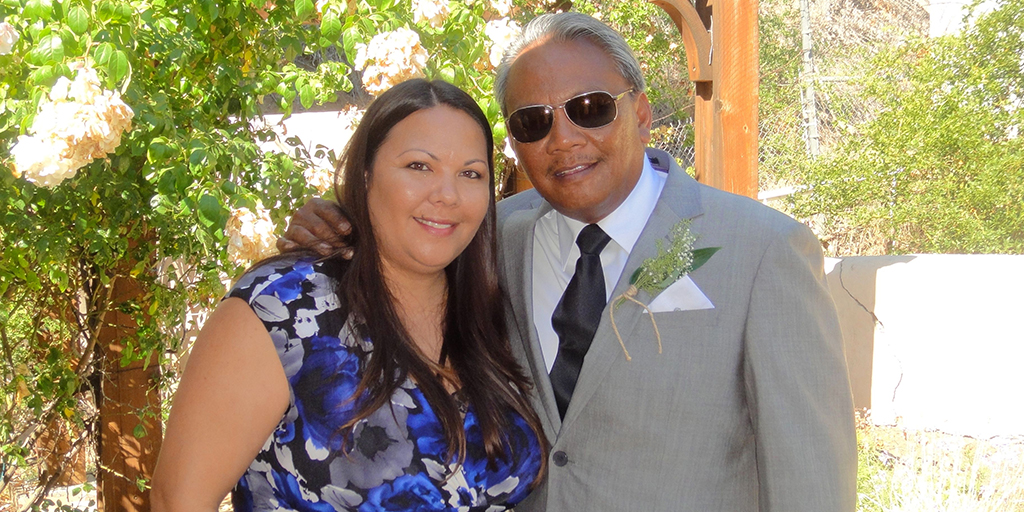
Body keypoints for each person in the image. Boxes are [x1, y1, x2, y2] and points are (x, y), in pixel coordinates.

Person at [279, 12, 857, 512]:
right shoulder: (486, 238)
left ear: (642, 113)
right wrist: (340, 226)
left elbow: (810, 479)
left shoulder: (762, 251)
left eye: (590, 108)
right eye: (533, 121)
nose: (563, 138)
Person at [151, 79, 548, 511]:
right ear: (365, 174)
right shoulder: (283, 309)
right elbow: (180, 499)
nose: (447, 195)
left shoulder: (490, 309)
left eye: (470, 174)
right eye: (419, 166)